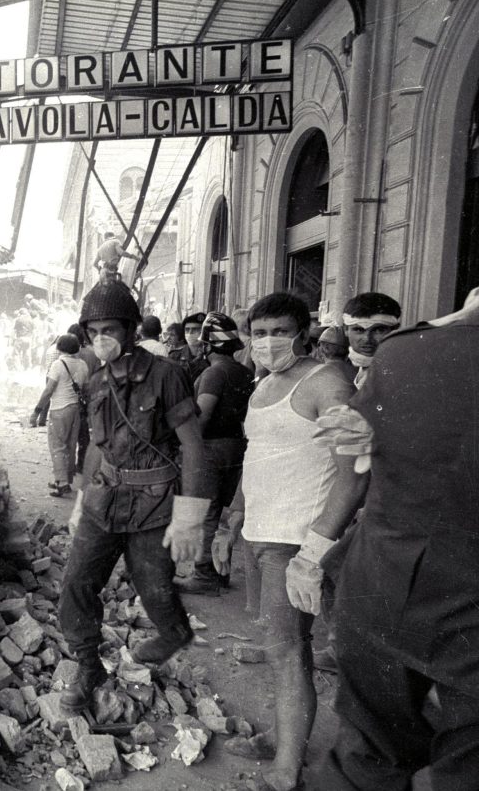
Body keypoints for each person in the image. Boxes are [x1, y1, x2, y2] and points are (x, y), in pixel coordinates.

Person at [308, 288, 479, 790]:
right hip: (467, 608)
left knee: (368, 754)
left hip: (381, 586)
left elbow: (360, 446)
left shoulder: (404, 351)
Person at [214, 293, 363, 791]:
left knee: (288, 653)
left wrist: (314, 552)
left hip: (296, 541)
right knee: (279, 646)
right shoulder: (264, 385)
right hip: (262, 534)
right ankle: (282, 740)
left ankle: (285, 771)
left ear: (303, 332)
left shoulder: (329, 381)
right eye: (259, 332)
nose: (268, 341)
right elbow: (257, 455)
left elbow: (354, 472)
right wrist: (232, 518)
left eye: (280, 330)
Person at [57, 279, 211, 713]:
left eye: (110, 328)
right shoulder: (97, 379)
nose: (100, 338)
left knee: (155, 589)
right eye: (93, 331)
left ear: (129, 328)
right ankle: (89, 668)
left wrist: (190, 516)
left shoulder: (166, 375)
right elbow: (95, 447)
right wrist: (80, 499)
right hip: (103, 501)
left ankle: (175, 632)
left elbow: (194, 447)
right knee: (76, 584)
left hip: (154, 504)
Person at [174, 312, 253, 595]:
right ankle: (221, 572)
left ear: (208, 345)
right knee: (222, 513)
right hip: (235, 446)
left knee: (202, 513)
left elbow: (203, 415)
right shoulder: (244, 372)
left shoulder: (213, 373)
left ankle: (204, 575)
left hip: (209, 449)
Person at [29, 334, 89, 497]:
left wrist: (37, 411)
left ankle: (61, 483)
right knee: (70, 445)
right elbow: (86, 388)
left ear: (60, 347)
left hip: (59, 409)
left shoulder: (58, 364)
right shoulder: (83, 365)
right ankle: (65, 479)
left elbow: (49, 390)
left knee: (57, 446)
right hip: (75, 409)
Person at [340, 292, 401, 389]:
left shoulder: (399, 372)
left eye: (378, 330)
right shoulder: (359, 366)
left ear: (395, 330)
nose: (367, 339)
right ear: (346, 330)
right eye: (359, 330)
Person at [169, 311, 210, 384]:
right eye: (187, 330)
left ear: (204, 332)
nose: (190, 333)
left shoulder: (211, 356)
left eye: (195, 329)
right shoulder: (174, 356)